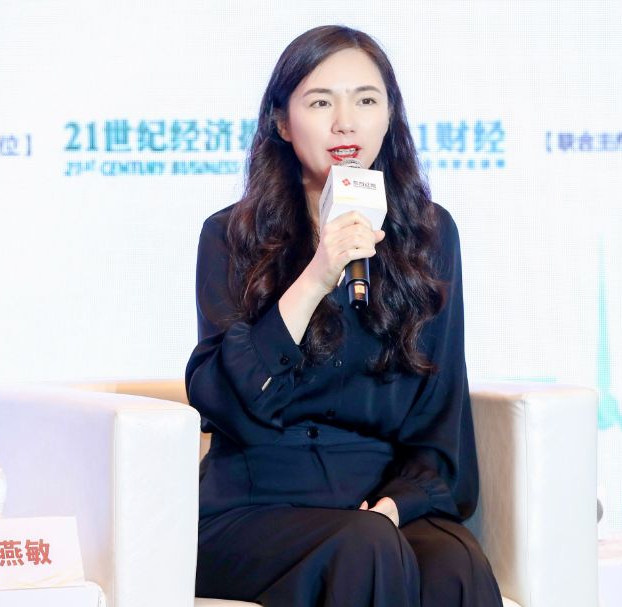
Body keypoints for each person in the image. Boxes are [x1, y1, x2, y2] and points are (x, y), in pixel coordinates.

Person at [185, 25, 503, 607]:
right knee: (366, 546)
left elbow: (441, 415)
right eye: (320, 103)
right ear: (282, 123)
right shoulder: (230, 236)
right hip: (255, 505)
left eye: (365, 100)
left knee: (453, 563)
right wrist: (316, 276)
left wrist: (397, 505)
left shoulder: (430, 236)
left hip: (375, 500)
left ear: (389, 117)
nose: (345, 123)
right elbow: (226, 401)